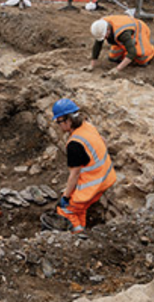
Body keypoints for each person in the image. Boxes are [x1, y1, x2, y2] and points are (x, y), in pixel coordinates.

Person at [42, 98, 117, 234]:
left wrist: (65, 197)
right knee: (79, 208)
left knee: (66, 209)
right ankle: (81, 227)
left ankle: (78, 236)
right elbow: (103, 142)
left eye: (59, 122)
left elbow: (74, 174)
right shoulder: (87, 126)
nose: (58, 126)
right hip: (107, 176)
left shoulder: (75, 144)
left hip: (93, 185)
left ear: (67, 120)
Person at [84, 16, 154, 75]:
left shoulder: (122, 33)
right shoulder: (101, 26)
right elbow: (98, 45)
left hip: (138, 29)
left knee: (141, 59)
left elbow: (132, 52)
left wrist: (117, 69)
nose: (105, 38)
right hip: (122, 36)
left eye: (105, 36)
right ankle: (128, 46)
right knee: (113, 57)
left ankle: (153, 49)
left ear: (108, 30)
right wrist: (92, 65)